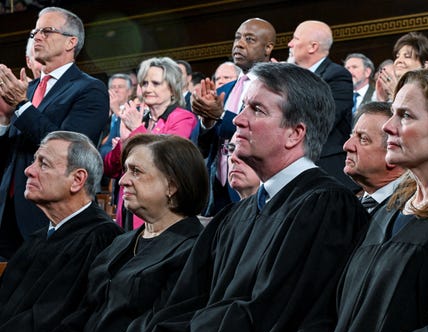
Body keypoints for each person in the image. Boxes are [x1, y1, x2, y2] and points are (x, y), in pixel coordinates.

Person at [45, 62, 368, 332]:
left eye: (257, 111)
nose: (239, 121)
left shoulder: (323, 205)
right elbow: (189, 298)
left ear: (295, 134)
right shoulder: (240, 212)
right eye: (244, 107)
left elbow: (279, 313)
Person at [183, 68, 428, 332]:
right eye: (392, 114)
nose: (390, 127)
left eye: (406, 116)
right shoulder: (384, 214)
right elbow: (326, 310)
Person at [0, 133, 208, 332]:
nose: (122, 180)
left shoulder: (192, 250)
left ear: (172, 185)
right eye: (124, 170)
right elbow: (79, 315)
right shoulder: (122, 243)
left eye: (136, 172)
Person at [0, 130, 122, 332]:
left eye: (43, 163)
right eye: (34, 161)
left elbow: (52, 320)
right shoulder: (40, 237)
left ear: (77, 179)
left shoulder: (99, 238)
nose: (29, 171)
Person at [0, 6, 109, 259]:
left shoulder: (90, 90)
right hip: (8, 210)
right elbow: (11, 154)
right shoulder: (26, 89)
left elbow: (65, 147)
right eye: (34, 32)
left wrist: (21, 106)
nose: (37, 37)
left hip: (50, 213)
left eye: (47, 31)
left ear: (72, 42)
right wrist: (4, 119)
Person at [192, 18, 276, 216]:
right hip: (217, 190)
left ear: (268, 47)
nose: (239, 44)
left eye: (249, 39)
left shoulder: (275, 87)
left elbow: (259, 131)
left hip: (253, 190)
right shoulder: (224, 90)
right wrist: (207, 121)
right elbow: (202, 146)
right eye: (237, 38)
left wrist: (220, 115)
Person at [103, 57, 197, 230]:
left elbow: (165, 159)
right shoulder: (137, 118)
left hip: (160, 209)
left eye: (155, 83)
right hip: (128, 207)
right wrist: (124, 142)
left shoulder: (182, 117)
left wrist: (136, 131)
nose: (148, 89)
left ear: (172, 87)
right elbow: (110, 168)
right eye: (144, 83)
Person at [288, 20, 356, 192]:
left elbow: (323, 119)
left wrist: (287, 84)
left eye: (295, 38)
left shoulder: (338, 76)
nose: (290, 44)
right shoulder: (290, 76)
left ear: (312, 47)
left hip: (324, 170)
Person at [344, 101, 404, 213]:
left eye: (363, 139)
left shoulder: (410, 210)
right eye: (352, 136)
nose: (347, 146)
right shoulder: (350, 204)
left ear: (393, 155)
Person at [376, 32, 428, 102]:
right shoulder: (391, 91)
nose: (399, 60)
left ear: (425, 65)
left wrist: (395, 93)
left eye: (407, 56)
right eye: (397, 56)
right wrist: (382, 100)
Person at [344, 52, 376, 117]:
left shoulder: (377, 95)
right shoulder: (340, 96)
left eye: (354, 67)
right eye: (347, 68)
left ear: (367, 72)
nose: (349, 72)